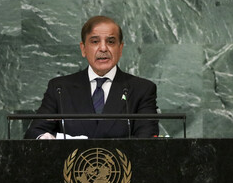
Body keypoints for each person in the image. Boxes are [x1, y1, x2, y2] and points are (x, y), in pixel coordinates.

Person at [24, 15, 158, 139]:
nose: (103, 48)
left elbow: (146, 139)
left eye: (111, 42)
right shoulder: (60, 88)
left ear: (120, 48)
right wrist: (44, 138)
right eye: (95, 42)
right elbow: (35, 131)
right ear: (83, 49)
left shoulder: (142, 89)